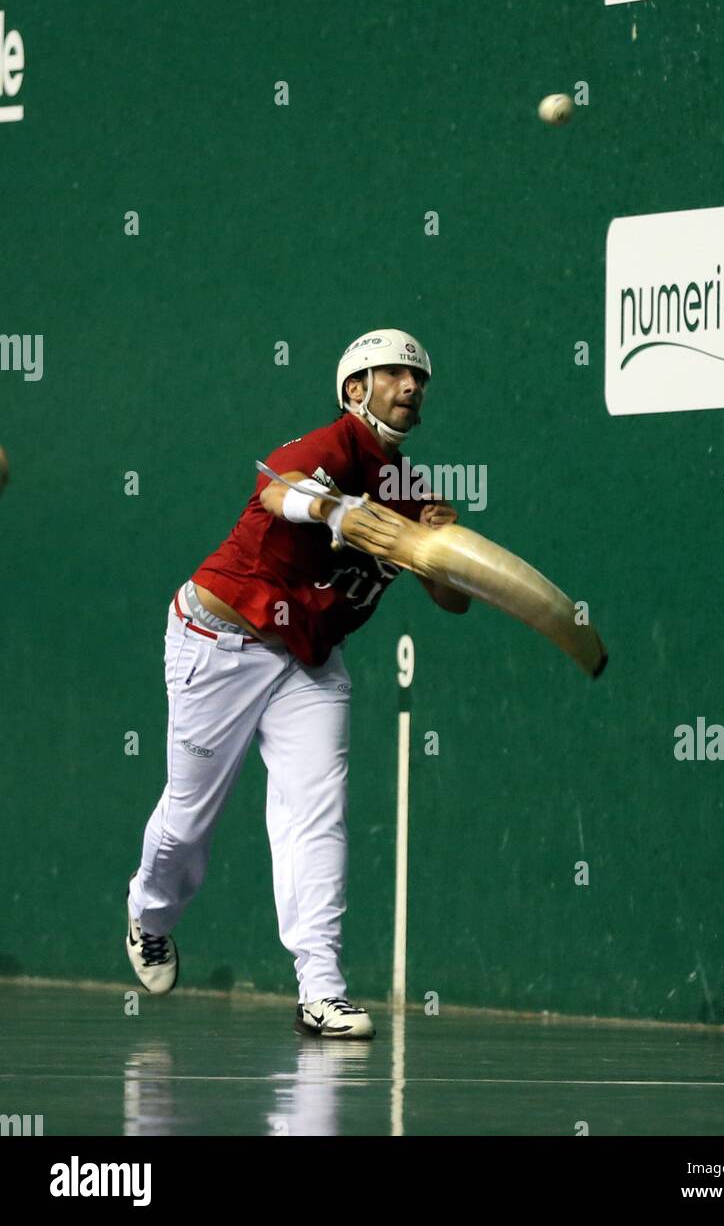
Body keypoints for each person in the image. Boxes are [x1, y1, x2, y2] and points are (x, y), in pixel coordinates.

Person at [126, 329, 470, 1038]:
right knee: (190, 816)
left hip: (309, 662)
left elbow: (455, 600)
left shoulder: (410, 492)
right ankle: (149, 914)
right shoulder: (326, 450)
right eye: (393, 375)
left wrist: (438, 551)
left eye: (419, 379)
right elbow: (279, 491)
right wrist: (335, 510)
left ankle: (321, 989)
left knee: (317, 814)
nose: (411, 387)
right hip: (219, 642)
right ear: (354, 390)